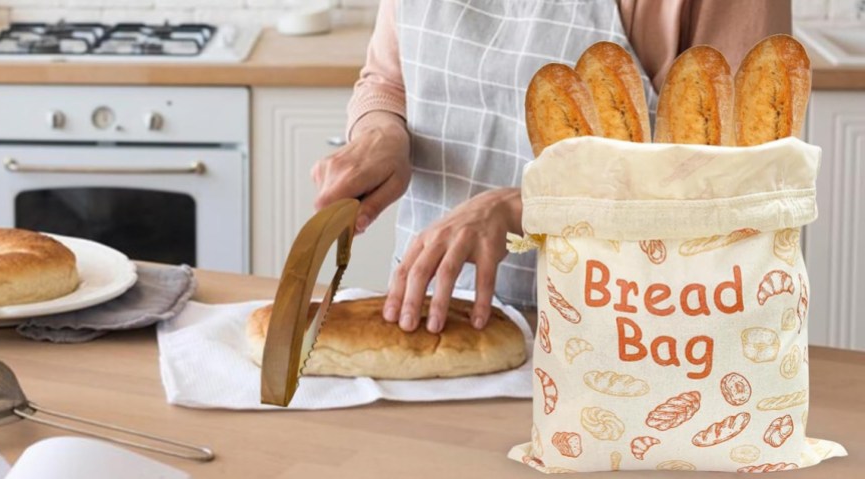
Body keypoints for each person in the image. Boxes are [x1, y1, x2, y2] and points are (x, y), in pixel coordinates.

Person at [312, 0, 791, 334]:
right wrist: (381, 133)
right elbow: (388, 80)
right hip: (435, 321)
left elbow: (731, 175)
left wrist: (527, 207)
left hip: (638, 341)